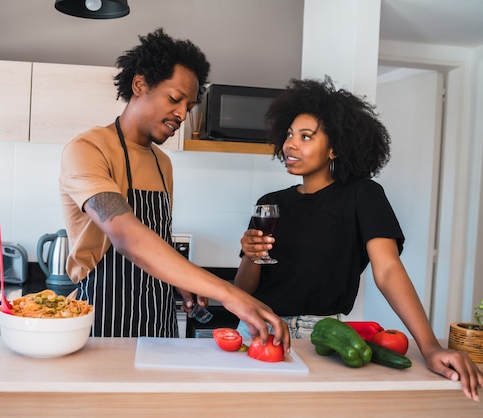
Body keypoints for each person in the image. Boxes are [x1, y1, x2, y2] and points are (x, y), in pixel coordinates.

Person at [235, 76, 482, 401]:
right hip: (256, 329)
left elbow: (388, 271)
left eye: (306, 136)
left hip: (320, 337)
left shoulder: (362, 196)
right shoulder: (271, 203)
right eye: (289, 135)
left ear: (335, 147)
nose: (290, 145)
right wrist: (250, 254)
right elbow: (242, 291)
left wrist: (431, 347)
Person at [59, 28, 289, 348]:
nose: (182, 114)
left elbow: (158, 240)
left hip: (159, 318)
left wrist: (183, 280)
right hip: (103, 319)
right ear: (140, 84)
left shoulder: (162, 162)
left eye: (189, 105)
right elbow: (126, 235)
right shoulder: (87, 149)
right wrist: (227, 292)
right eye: (174, 98)